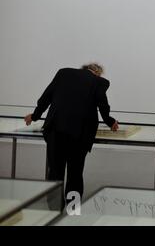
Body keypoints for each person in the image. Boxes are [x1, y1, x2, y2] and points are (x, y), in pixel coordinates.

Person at [24, 63, 119, 203]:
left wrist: (35, 115)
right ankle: (73, 210)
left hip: (56, 130)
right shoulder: (99, 82)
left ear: (84, 69)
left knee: (55, 171)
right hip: (80, 134)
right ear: (97, 73)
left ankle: (54, 208)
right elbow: (103, 105)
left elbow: (46, 97)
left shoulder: (63, 73)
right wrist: (110, 122)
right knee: (75, 174)